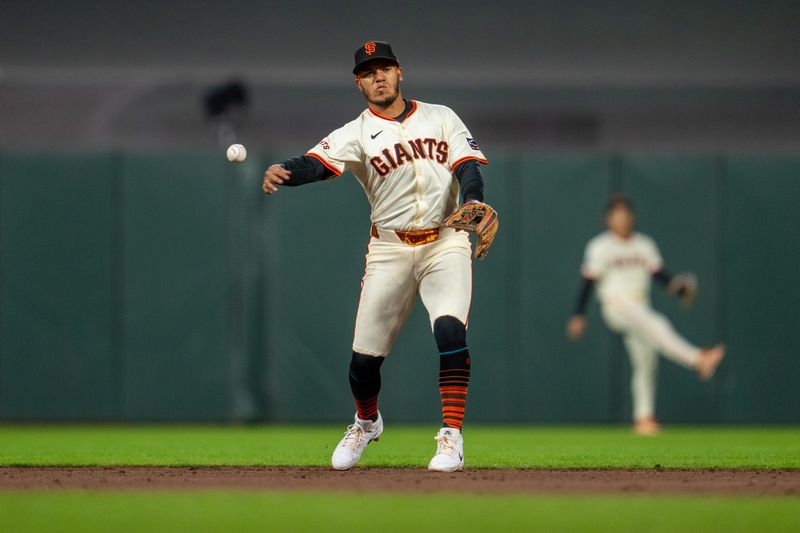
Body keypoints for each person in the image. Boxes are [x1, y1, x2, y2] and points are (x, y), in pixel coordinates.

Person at [262, 41, 494, 471]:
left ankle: (451, 437)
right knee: (364, 361)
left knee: (449, 331)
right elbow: (317, 162)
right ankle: (367, 422)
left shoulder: (441, 116)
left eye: (384, 68)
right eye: (368, 72)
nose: (378, 76)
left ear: (400, 72)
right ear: (358, 83)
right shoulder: (356, 131)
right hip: (389, 248)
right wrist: (287, 171)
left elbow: (467, 167)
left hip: (446, 240)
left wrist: (474, 199)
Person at [566, 195, 725, 435]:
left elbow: (662, 277)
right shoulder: (601, 246)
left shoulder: (644, 244)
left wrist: (680, 287)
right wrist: (579, 314)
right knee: (657, 323)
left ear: (632, 217)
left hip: (639, 305)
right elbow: (588, 282)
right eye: (616, 214)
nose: (622, 218)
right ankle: (697, 359)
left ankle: (643, 419)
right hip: (616, 305)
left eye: (625, 213)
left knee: (646, 360)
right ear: (608, 219)